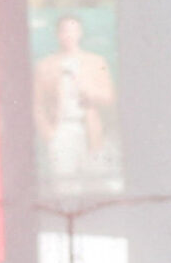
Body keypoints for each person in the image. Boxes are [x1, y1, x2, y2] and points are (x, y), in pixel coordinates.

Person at [32, 13, 120, 193]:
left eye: (73, 30)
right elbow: (36, 105)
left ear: (80, 33)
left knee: (96, 184)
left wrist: (91, 93)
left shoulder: (96, 62)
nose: (69, 35)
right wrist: (49, 134)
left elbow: (110, 97)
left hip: (90, 129)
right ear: (58, 34)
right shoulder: (44, 65)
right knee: (65, 187)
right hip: (61, 131)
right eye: (65, 31)